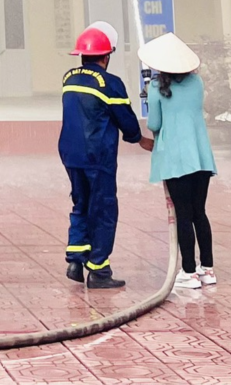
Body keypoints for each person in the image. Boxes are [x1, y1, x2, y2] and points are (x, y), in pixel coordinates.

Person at [58, 23, 149, 289]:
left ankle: (76, 259)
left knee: (81, 204)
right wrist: (139, 139)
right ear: (106, 57)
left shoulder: (69, 78)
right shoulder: (110, 83)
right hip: (97, 155)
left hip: (70, 153)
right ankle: (99, 270)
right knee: (104, 208)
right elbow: (126, 121)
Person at [139, 32, 218, 290]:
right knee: (199, 212)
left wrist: (150, 98)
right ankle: (208, 269)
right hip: (201, 155)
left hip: (176, 158)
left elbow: (154, 124)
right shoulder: (197, 83)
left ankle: (189, 272)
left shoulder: (156, 87)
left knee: (183, 214)